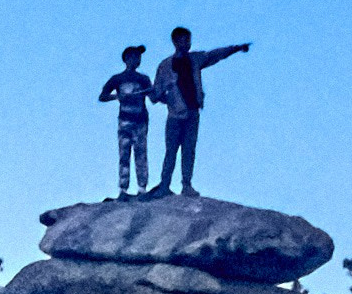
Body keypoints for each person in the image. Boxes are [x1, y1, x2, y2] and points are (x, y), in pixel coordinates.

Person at [152, 26, 249, 193]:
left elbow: (214, 55)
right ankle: (165, 185)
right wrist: (169, 99)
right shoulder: (165, 66)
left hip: (192, 112)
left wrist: (235, 48)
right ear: (175, 41)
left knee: (189, 149)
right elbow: (156, 94)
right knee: (171, 151)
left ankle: (186, 185)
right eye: (184, 40)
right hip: (175, 115)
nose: (187, 44)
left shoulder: (195, 59)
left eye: (189, 40)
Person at [97, 45, 154, 195]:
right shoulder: (117, 79)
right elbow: (102, 96)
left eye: (139, 57)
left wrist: (158, 90)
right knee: (124, 154)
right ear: (127, 59)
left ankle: (142, 188)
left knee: (141, 153)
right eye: (135, 56)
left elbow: (153, 96)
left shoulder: (143, 79)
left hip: (140, 120)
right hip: (125, 121)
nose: (138, 59)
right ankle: (123, 189)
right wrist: (117, 96)